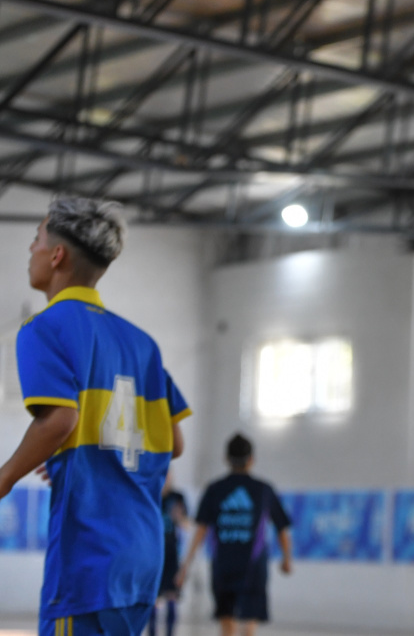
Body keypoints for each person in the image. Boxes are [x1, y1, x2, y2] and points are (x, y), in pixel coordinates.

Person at [0, 197, 190, 636]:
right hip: (144, 557)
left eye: (36, 239)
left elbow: (58, 421)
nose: (31, 250)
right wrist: (80, 452)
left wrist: (7, 475)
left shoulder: (45, 327)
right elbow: (173, 443)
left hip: (89, 555)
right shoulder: (142, 343)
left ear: (57, 255)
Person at [176, 433, 292, 636]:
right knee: (249, 625)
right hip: (253, 567)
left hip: (224, 566)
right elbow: (282, 527)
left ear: (226, 459)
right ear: (251, 459)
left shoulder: (214, 489)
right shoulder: (263, 490)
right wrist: (287, 559)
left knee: (227, 624)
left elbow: (200, 530)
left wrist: (185, 565)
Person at [149, 471, 188, 636]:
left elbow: (187, 524)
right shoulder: (150, 494)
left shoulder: (177, 497)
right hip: (153, 553)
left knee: (172, 596)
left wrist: (179, 518)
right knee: (153, 599)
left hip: (171, 553)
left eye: (169, 477)